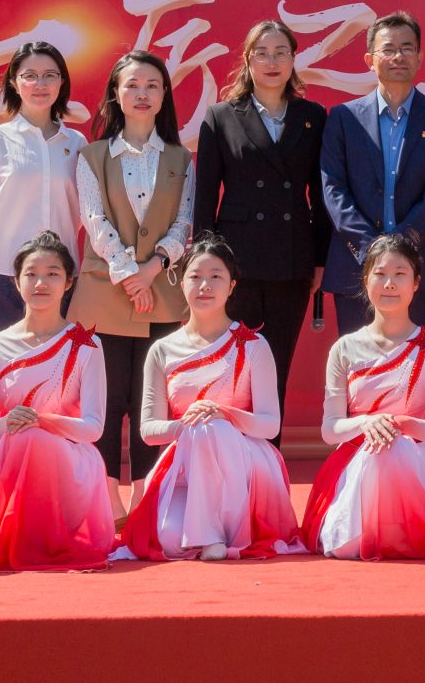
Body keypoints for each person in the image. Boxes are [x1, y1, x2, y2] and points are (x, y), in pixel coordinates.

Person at [298, 234, 425, 560]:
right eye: (380, 274)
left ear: (416, 283)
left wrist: (400, 424)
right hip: (356, 460)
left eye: (400, 274)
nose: (389, 283)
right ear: (365, 280)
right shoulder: (344, 349)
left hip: (416, 463)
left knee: (394, 447)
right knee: (346, 544)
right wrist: (367, 423)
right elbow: (330, 429)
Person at [117, 235, 300, 561]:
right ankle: (207, 532)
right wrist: (187, 425)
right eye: (196, 276)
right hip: (186, 464)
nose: (205, 285)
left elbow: (270, 425)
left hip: (245, 466)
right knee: (169, 541)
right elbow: (148, 430)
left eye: (216, 276)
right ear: (181, 284)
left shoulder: (253, 345)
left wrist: (225, 415)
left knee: (210, 427)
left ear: (231, 286)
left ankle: (210, 535)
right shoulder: (162, 350)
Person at [69, 50, 191, 527]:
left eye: (152, 86)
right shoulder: (93, 155)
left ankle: (145, 499)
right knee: (105, 400)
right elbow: (94, 219)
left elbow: (183, 223)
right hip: (104, 294)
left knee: (151, 400)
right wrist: (128, 274)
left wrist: (152, 269)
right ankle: (107, 500)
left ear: (164, 95)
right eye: (132, 86)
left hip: (162, 295)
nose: (142, 94)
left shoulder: (181, 158)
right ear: (116, 95)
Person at [195, 19, 332, 436]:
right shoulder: (221, 116)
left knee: (275, 367)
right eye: (262, 54)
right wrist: (204, 263)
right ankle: (228, 455)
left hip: (292, 262)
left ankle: (268, 459)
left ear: (293, 60)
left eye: (281, 53)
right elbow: (205, 197)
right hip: (235, 263)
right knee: (232, 366)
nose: (272, 62)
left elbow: (321, 197)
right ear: (247, 60)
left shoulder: (312, 117)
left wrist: (320, 261)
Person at [0, 231, 111, 571]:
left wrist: (43, 422)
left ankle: (43, 531)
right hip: (7, 461)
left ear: (68, 283)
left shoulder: (86, 345)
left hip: (68, 468)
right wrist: (7, 423)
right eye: (31, 274)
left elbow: (93, 428)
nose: (41, 283)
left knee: (31, 436)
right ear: (16, 282)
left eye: (53, 274)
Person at [320, 12, 425, 333]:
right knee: (359, 359)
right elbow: (333, 189)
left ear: (420, 57)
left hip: (420, 262)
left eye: (407, 48)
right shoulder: (343, 118)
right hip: (357, 265)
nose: (398, 56)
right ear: (370, 60)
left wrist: (402, 246)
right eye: (388, 49)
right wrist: (371, 249)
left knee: (416, 359)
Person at [0, 40, 83, 346]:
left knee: (57, 370)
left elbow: (84, 214)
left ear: (62, 82)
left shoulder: (77, 144)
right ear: (14, 83)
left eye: (49, 75)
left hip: (60, 280)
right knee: (0, 369)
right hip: (3, 277)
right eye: (30, 76)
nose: (39, 84)